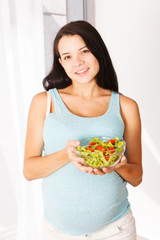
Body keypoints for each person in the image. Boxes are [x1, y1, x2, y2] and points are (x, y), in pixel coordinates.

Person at [23, 20, 143, 240]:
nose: (77, 62)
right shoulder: (44, 102)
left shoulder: (126, 106)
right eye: (68, 56)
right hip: (57, 232)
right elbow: (29, 171)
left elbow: (136, 176)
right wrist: (66, 156)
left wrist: (117, 165)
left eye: (84, 51)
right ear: (61, 62)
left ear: (97, 51)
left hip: (116, 230)